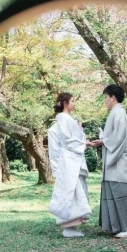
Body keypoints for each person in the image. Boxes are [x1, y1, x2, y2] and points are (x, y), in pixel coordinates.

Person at [87, 84, 127, 238]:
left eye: (106, 97)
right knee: (114, 192)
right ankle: (118, 226)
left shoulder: (118, 112)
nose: (105, 101)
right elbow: (113, 137)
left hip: (118, 160)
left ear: (113, 97)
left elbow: (118, 138)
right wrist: (103, 140)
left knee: (122, 193)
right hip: (115, 158)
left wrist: (103, 141)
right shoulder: (115, 112)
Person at [47, 92, 91, 238]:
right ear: (65, 103)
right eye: (72, 101)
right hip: (69, 161)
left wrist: (81, 134)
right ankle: (68, 227)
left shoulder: (67, 119)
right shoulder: (63, 119)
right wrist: (84, 143)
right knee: (71, 192)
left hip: (73, 159)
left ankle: (72, 225)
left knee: (76, 192)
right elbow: (68, 141)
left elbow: (74, 138)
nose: (74, 104)